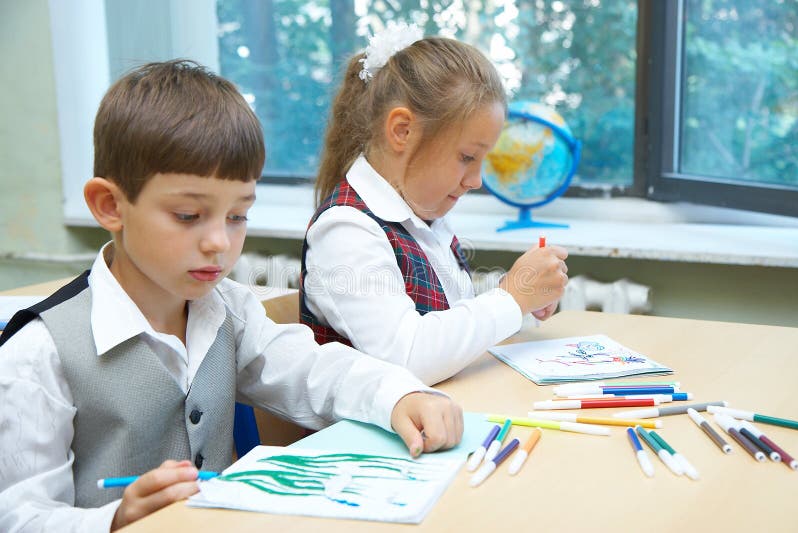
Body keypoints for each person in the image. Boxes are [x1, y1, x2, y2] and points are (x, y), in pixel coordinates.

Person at [0, 60, 462, 532]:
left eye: (238, 216)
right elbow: (18, 517)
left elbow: (310, 370)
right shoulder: (37, 357)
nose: (219, 242)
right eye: (187, 215)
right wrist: (115, 519)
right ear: (110, 206)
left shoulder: (226, 309)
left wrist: (397, 394)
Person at [300, 23, 569, 385]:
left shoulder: (423, 217)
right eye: (467, 157)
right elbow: (408, 355)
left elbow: (450, 330)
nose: (476, 180)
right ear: (402, 130)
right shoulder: (346, 231)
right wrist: (511, 300)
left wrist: (523, 298)